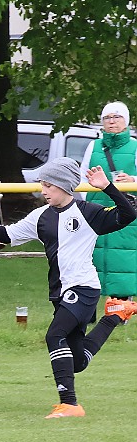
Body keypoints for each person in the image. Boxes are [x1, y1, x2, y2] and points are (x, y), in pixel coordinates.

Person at [0, 157, 137, 418]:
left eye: (48, 185)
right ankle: (115, 315)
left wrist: (107, 186)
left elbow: (129, 214)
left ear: (63, 186)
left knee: (54, 336)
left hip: (84, 288)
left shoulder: (88, 212)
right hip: (60, 293)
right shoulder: (40, 216)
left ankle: (70, 404)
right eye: (42, 185)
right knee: (77, 362)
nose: (42, 191)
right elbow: (7, 235)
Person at [79, 101, 137, 300]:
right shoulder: (92, 146)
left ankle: (122, 309)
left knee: (123, 259)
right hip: (97, 211)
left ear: (126, 121)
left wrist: (132, 180)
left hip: (127, 213)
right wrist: (86, 204)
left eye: (117, 117)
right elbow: (81, 178)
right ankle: (88, 307)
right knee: (93, 258)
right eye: (107, 118)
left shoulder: (135, 147)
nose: (112, 122)